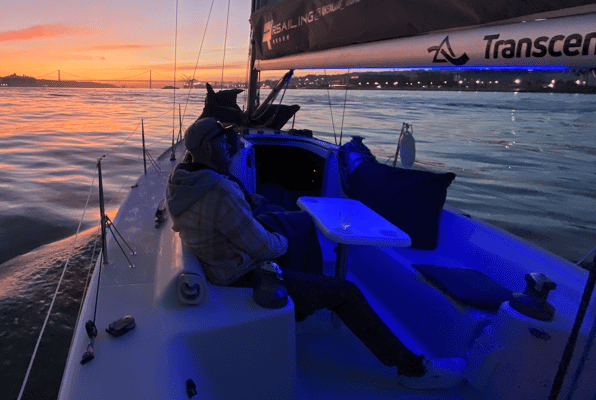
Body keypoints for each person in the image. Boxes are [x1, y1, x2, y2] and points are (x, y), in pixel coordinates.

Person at [165, 117, 467, 390]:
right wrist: (284, 240)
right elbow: (265, 247)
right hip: (241, 275)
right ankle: (413, 370)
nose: (230, 146)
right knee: (345, 290)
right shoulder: (218, 190)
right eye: (221, 140)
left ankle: (307, 299)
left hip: (224, 258)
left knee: (303, 221)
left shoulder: (183, 181)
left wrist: (280, 230)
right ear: (205, 148)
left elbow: (241, 227)